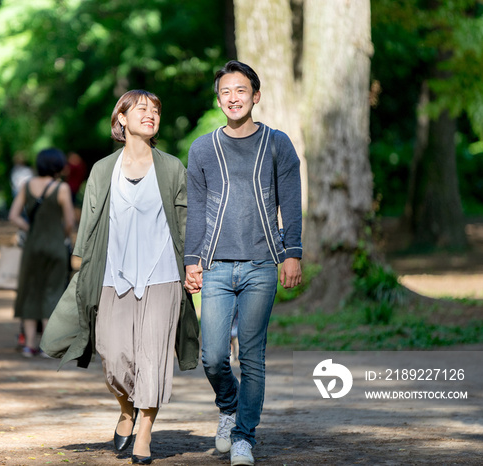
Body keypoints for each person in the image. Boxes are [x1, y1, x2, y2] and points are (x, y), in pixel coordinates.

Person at [39, 90, 200, 465]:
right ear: (121, 119)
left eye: (156, 110)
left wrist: (194, 264)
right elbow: (90, 222)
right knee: (113, 359)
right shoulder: (102, 169)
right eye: (142, 109)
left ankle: (144, 431)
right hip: (114, 275)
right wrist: (80, 262)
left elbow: (187, 221)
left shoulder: (173, 167)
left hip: (162, 277)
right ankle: (127, 409)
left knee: (153, 357)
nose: (151, 114)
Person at [184, 60, 303, 466]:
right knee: (213, 356)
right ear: (218, 99)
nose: (232, 98)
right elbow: (196, 209)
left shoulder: (277, 143)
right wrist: (191, 260)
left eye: (240, 91)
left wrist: (293, 253)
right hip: (215, 265)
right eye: (225, 92)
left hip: (262, 264)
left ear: (255, 95)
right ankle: (228, 406)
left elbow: (290, 202)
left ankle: (243, 437)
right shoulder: (202, 148)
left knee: (252, 355)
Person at [9, 148, 75, 358]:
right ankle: (48, 345)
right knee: (53, 292)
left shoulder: (26, 185)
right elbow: (70, 222)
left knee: (30, 293)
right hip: (55, 247)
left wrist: (30, 229)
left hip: (32, 248)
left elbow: (13, 215)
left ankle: (29, 345)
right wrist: (59, 233)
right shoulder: (62, 188)